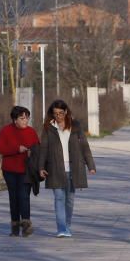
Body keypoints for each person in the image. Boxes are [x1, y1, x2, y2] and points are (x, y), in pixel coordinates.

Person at [38, 100, 96, 238]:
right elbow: (43, 148)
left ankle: (67, 225)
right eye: (55, 113)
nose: (58, 116)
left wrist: (91, 165)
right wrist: (41, 167)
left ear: (66, 112)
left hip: (73, 167)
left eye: (61, 113)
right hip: (55, 168)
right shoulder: (48, 127)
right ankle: (61, 228)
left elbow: (84, 147)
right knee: (59, 198)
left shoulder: (75, 126)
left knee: (69, 200)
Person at [0, 105, 40, 237]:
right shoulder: (6, 131)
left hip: (26, 171)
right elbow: (0, 148)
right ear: (15, 120)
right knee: (13, 197)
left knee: (24, 197)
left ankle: (26, 225)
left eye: (27, 118)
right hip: (9, 170)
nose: (25, 121)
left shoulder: (31, 132)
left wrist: (33, 152)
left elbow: (38, 149)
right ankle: (14, 225)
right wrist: (17, 149)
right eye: (22, 118)